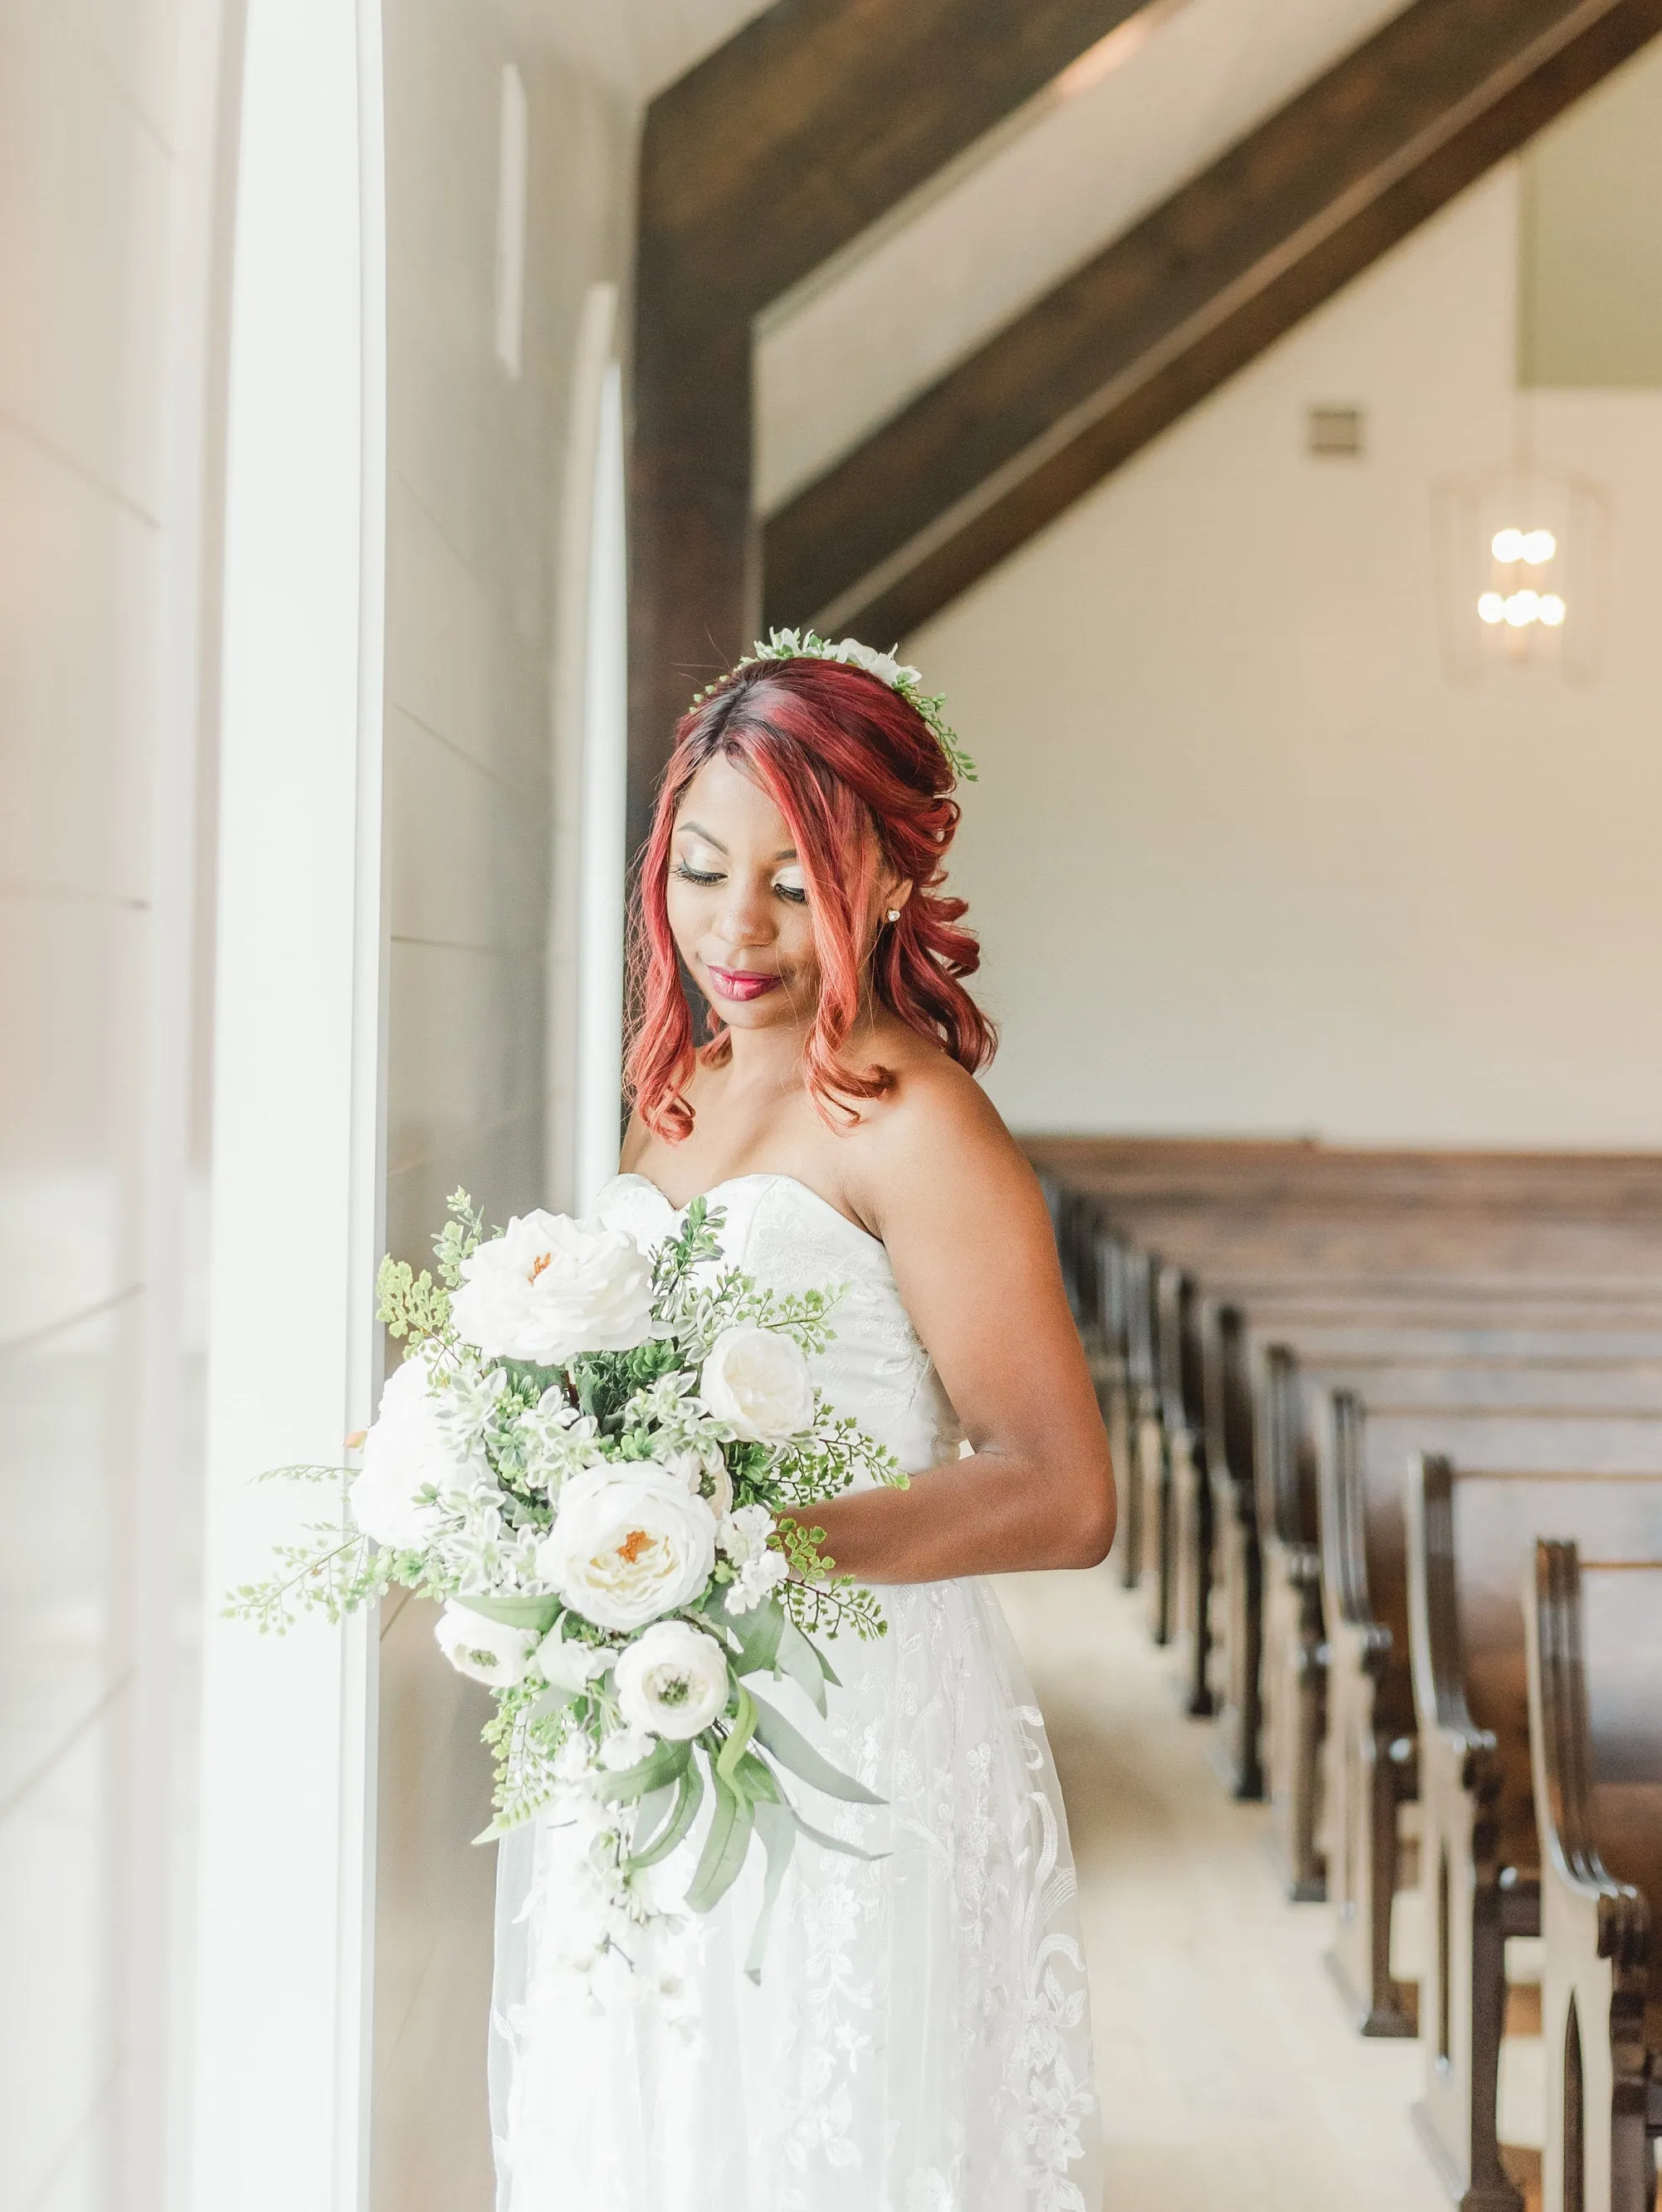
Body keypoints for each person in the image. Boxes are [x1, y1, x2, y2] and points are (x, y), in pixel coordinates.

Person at [490, 639, 1114, 2212]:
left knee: (813, 2135)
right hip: (651, 1708)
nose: (736, 928)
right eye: (703, 870)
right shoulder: (676, 1086)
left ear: (893, 879)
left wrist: (747, 1549)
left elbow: (1060, 1489)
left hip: (854, 1719)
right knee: (652, 2120)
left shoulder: (912, 1116)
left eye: (794, 879)